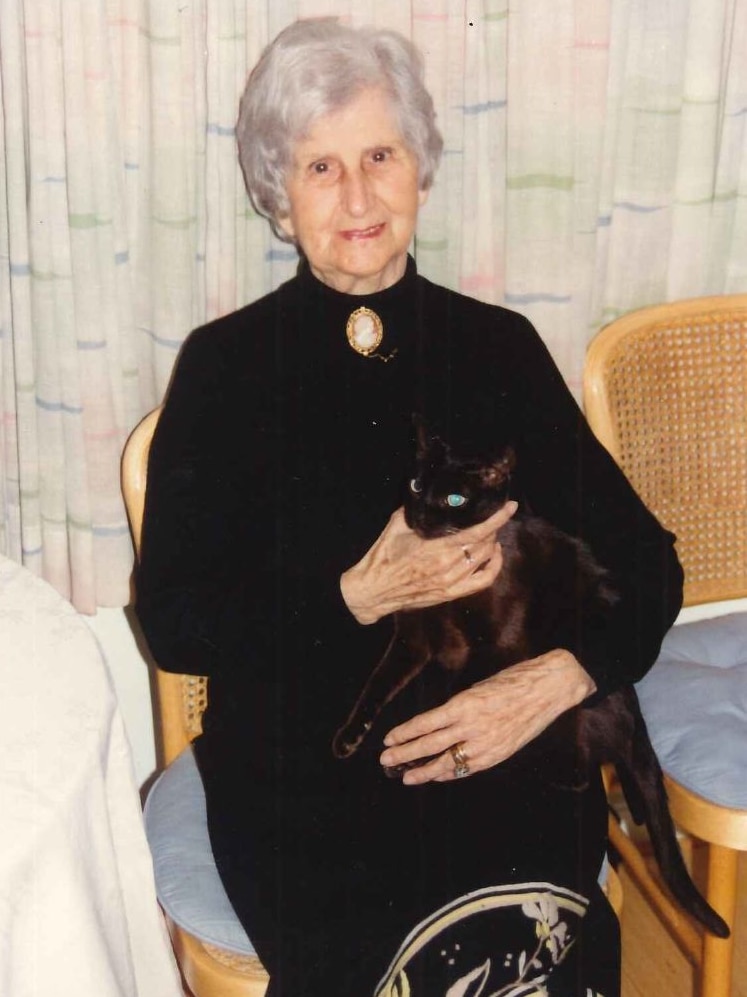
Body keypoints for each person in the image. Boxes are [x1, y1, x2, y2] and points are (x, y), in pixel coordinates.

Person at [135, 18, 683, 997]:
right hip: (306, 766)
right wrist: (350, 594)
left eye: (380, 156)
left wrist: (560, 677)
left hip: (503, 732)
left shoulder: (499, 349)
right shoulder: (223, 369)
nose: (357, 196)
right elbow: (177, 617)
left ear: (420, 168)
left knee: (532, 954)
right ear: (278, 192)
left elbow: (646, 559)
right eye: (320, 167)